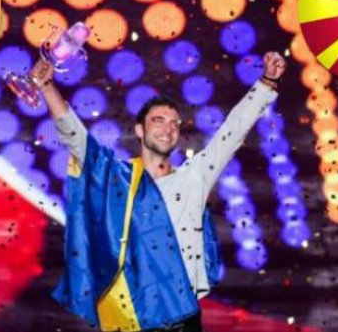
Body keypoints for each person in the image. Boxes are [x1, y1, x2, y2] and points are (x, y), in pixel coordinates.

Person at [31, 51, 286, 332]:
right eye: (159, 121)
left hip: (183, 320)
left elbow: (231, 133)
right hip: (132, 321)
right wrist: (47, 87)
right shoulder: (117, 179)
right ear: (139, 130)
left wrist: (266, 82)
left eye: (175, 123)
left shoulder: (193, 178)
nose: (169, 129)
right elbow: (76, 139)